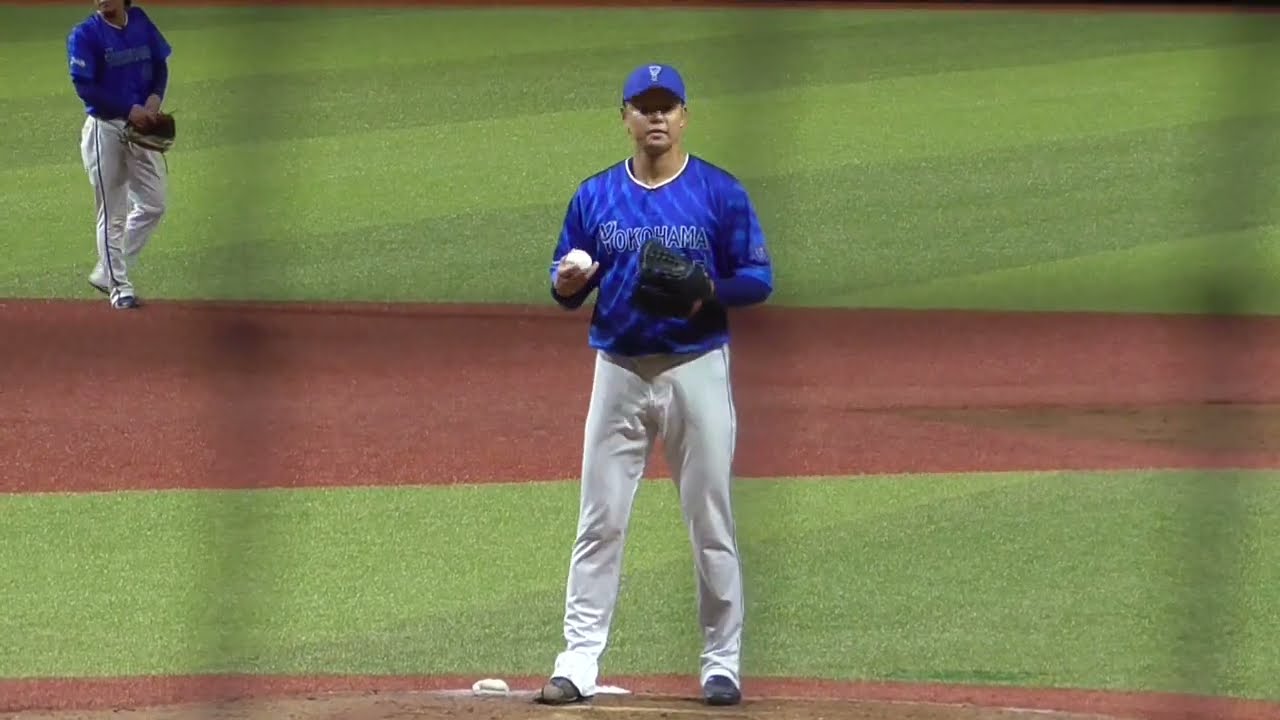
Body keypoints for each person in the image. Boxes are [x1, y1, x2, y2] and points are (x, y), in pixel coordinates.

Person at [535, 62, 774, 708]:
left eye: (667, 106)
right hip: (617, 369)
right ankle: (577, 661)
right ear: (626, 118)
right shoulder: (594, 196)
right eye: (645, 107)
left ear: (685, 116)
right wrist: (566, 282)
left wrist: (710, 291)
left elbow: (759, 278)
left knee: (711, 521)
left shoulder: (720, 193)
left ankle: (721, 664)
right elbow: (567, 283)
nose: (657, 117)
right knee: (600, 521)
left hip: (696, 369)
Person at [67, 0, 172, 310]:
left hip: (140, 129)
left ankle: (107, 270)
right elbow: (86, 88)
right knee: (113, 213)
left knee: (154, 204)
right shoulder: (85, 34)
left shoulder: (139, 20)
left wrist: (154, 99)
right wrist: (128, 110)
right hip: (105, 130)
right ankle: (119, 287)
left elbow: (160, 65)